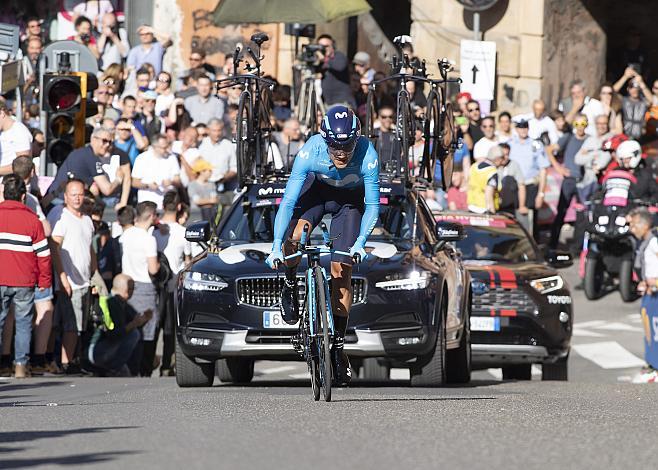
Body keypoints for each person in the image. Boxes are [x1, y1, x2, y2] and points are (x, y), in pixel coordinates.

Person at [265, 105, 379, 386]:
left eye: (348, 145)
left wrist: (360, 244)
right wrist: (277, 246)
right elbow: (288, 202)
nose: (341, 153)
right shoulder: (309, 151)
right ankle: (290, 283)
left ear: (357, 139)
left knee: (342, 270)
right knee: (296, 235)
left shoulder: (369, 156)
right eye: (335, 146)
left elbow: (373, 205)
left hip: (348, 204)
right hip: (315, 195)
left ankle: (338, 347)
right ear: (324, 140)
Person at [0, 175, 51, 378]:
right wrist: (45, 280)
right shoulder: (33, 220)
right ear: (23, 196)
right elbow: (44, 255)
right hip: (24, 280)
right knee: (23, 323)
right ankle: (20, 366)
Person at [49, 178, 97, 375]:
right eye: (73, 194)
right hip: (69, 281)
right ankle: (65, 362)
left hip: (84, 280)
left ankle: (70, 360)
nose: (77, 198)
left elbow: (90, 249)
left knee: (78, 324)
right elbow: (54, 246)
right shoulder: (61, 217)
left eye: (80, 194)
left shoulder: (87, 220)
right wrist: (62, 277)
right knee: (70, 324)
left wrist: (96, 276)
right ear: (65, 196)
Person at [120, 201, 160, 377]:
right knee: (148, 330)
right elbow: (153, 269)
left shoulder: (127, 234)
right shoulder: (148, 239)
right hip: (145, 286)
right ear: (152, 216)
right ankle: (144, 370)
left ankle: (131, 367)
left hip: (128, 284)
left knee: (132, 326)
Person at [153, 191, 191, 376]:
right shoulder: (183, 232)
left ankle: (147, 363)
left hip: (154, 284)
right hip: (174, 284)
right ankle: (167, 364)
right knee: (171, 327)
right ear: (178, 207)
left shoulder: (154, 230)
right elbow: (188, 261)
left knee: (154, 325)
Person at [88, 274, 150, 376]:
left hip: (105, 349)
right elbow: (113, 334)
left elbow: (134, 322)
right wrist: (133, 324)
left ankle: (120, 369)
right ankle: (113, 368)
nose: (132, 292)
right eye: (130, 289)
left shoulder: (123, 304)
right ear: (123, 289)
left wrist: (143, 320)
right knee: (134, 334)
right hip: (97, 350)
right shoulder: (111, 302)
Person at [44, 127, 124, 205]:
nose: (107, 145)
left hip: (54, 200)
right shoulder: (91, 157)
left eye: (110, 142)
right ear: (93, 139)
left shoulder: (82, 152)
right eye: (104, 141)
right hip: (61, 202)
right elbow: (107, 189)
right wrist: (118, 179)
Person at [549, 113, 589, 250]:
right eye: (577, 124)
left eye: (583, 124)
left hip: (583, 181)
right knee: (561, 212)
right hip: (569, 180)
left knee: (581, 216)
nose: (580, 127)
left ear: (587, 125)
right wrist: (558, 168)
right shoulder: (568, 138)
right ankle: (552, 245)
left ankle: (577, 248)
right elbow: (549, 150)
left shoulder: (590, 140)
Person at [628, 208, 658, 382]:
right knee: (649, 333)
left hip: (655, 295)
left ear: (645, 225)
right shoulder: (646, 243)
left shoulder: (654, 243)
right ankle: (652, 364)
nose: (632, 229)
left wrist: (654, 282)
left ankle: (655, 366)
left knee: (654, 334)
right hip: (649, 293)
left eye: (634, 225)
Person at [508, 119, 550, 238]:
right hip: (515, 187)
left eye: (525, 127)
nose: (523, 130)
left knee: (531, 221)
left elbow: (543, 170)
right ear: (516, 129)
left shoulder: (535, 145)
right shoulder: (510, 144)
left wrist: (541, 194)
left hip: (530, 185)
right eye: (520, 128)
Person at [131, 134, 181, 209]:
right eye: (164, 147)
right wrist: (148, 185)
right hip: (147, 203)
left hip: (168, 203)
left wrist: (171, 182)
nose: (167, 149)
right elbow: (134, 182)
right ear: (154, 147)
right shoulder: (142, 158)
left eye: (167, 146)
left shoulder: (172, 158)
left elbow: (178, 180)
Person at [198, 119, 236, 213]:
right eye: (214, 130)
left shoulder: (228, 145)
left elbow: (234, 168)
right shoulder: (202, 145)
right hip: (205, 187)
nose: (217, 133)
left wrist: (224, 178)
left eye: (219, 130)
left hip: (224, 186)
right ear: (208, 130)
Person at [574, 114, 612, 202]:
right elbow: (577, 159)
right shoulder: (590, 140)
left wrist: (588, 153)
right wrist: (594, 154)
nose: (601, 126)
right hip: (587, 180)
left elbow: (604, 160)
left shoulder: (610, 139)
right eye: (599, 123)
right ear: (595, 124)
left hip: (601, 181)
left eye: (604, 124)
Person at [316, 34, 356, 108]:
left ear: (333, 46)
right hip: (326, 103)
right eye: (320, 46)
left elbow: (339, 67)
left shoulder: (339, 56)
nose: (323, 49)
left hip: (341, 102)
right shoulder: (319, 61)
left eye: (326, 46)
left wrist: (325, 59)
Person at [613, 67, 650, 140]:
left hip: (640, 138)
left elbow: (651, 100)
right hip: (624, 137)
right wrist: (625, 77)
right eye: (631, 86)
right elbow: (612, 92)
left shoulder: (643, 102)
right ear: (628, 89)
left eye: (636, 86)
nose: (634, 89)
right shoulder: (623, 100)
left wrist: (641, 82)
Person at [467, 145, 504, 214]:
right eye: (502, 158)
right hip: (484, 209)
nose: (502, 162)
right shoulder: (492, 172)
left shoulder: (474, 166)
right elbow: (489, 193)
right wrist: (492, 211)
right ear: (497, 159)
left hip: (471, 207)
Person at [0, 101, 33, 176]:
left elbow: (23, 166)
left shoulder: (19, 131)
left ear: (2, 113)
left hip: (13, 185)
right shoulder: (2, 132)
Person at [497, 143, 526, 216]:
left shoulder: (514, 165)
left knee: (508, 179)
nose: (504, 157)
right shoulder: (493, 165)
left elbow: (521, 185)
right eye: (502, 154)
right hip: (496, 200)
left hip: (510, 202)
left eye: (507, 154)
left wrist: (521, 206)